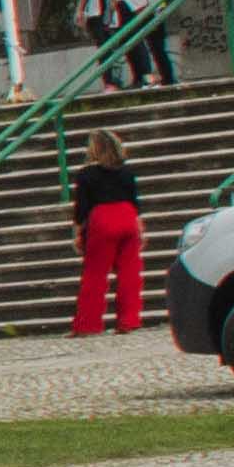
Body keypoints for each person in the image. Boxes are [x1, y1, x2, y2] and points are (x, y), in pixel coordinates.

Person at [70, 122, 147, 335]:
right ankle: (129, 320)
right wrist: (140, 228)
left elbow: (82, 207)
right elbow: (135, 201)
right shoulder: (127, 172)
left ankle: (88, 324)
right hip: (128, 217)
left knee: (95, 274)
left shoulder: (87, 174)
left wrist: (78, 232)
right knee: (129, 273)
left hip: (102, 219)